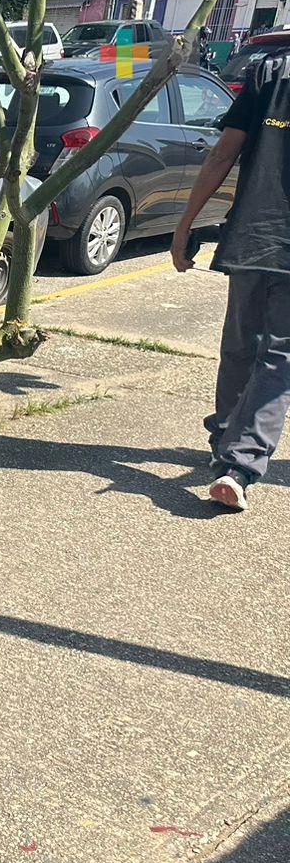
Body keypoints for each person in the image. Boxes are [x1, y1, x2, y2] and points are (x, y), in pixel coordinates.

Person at [171, 40, 290, 512]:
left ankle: (235, 456)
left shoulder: (270, 71)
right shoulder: (269, 72)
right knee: (270, 352)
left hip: (254, 234)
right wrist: (185, 223)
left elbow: (224, 153)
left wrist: (186, 223)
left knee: (250, 343)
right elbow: (223, 152)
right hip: (258, 235)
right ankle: (233, 451)